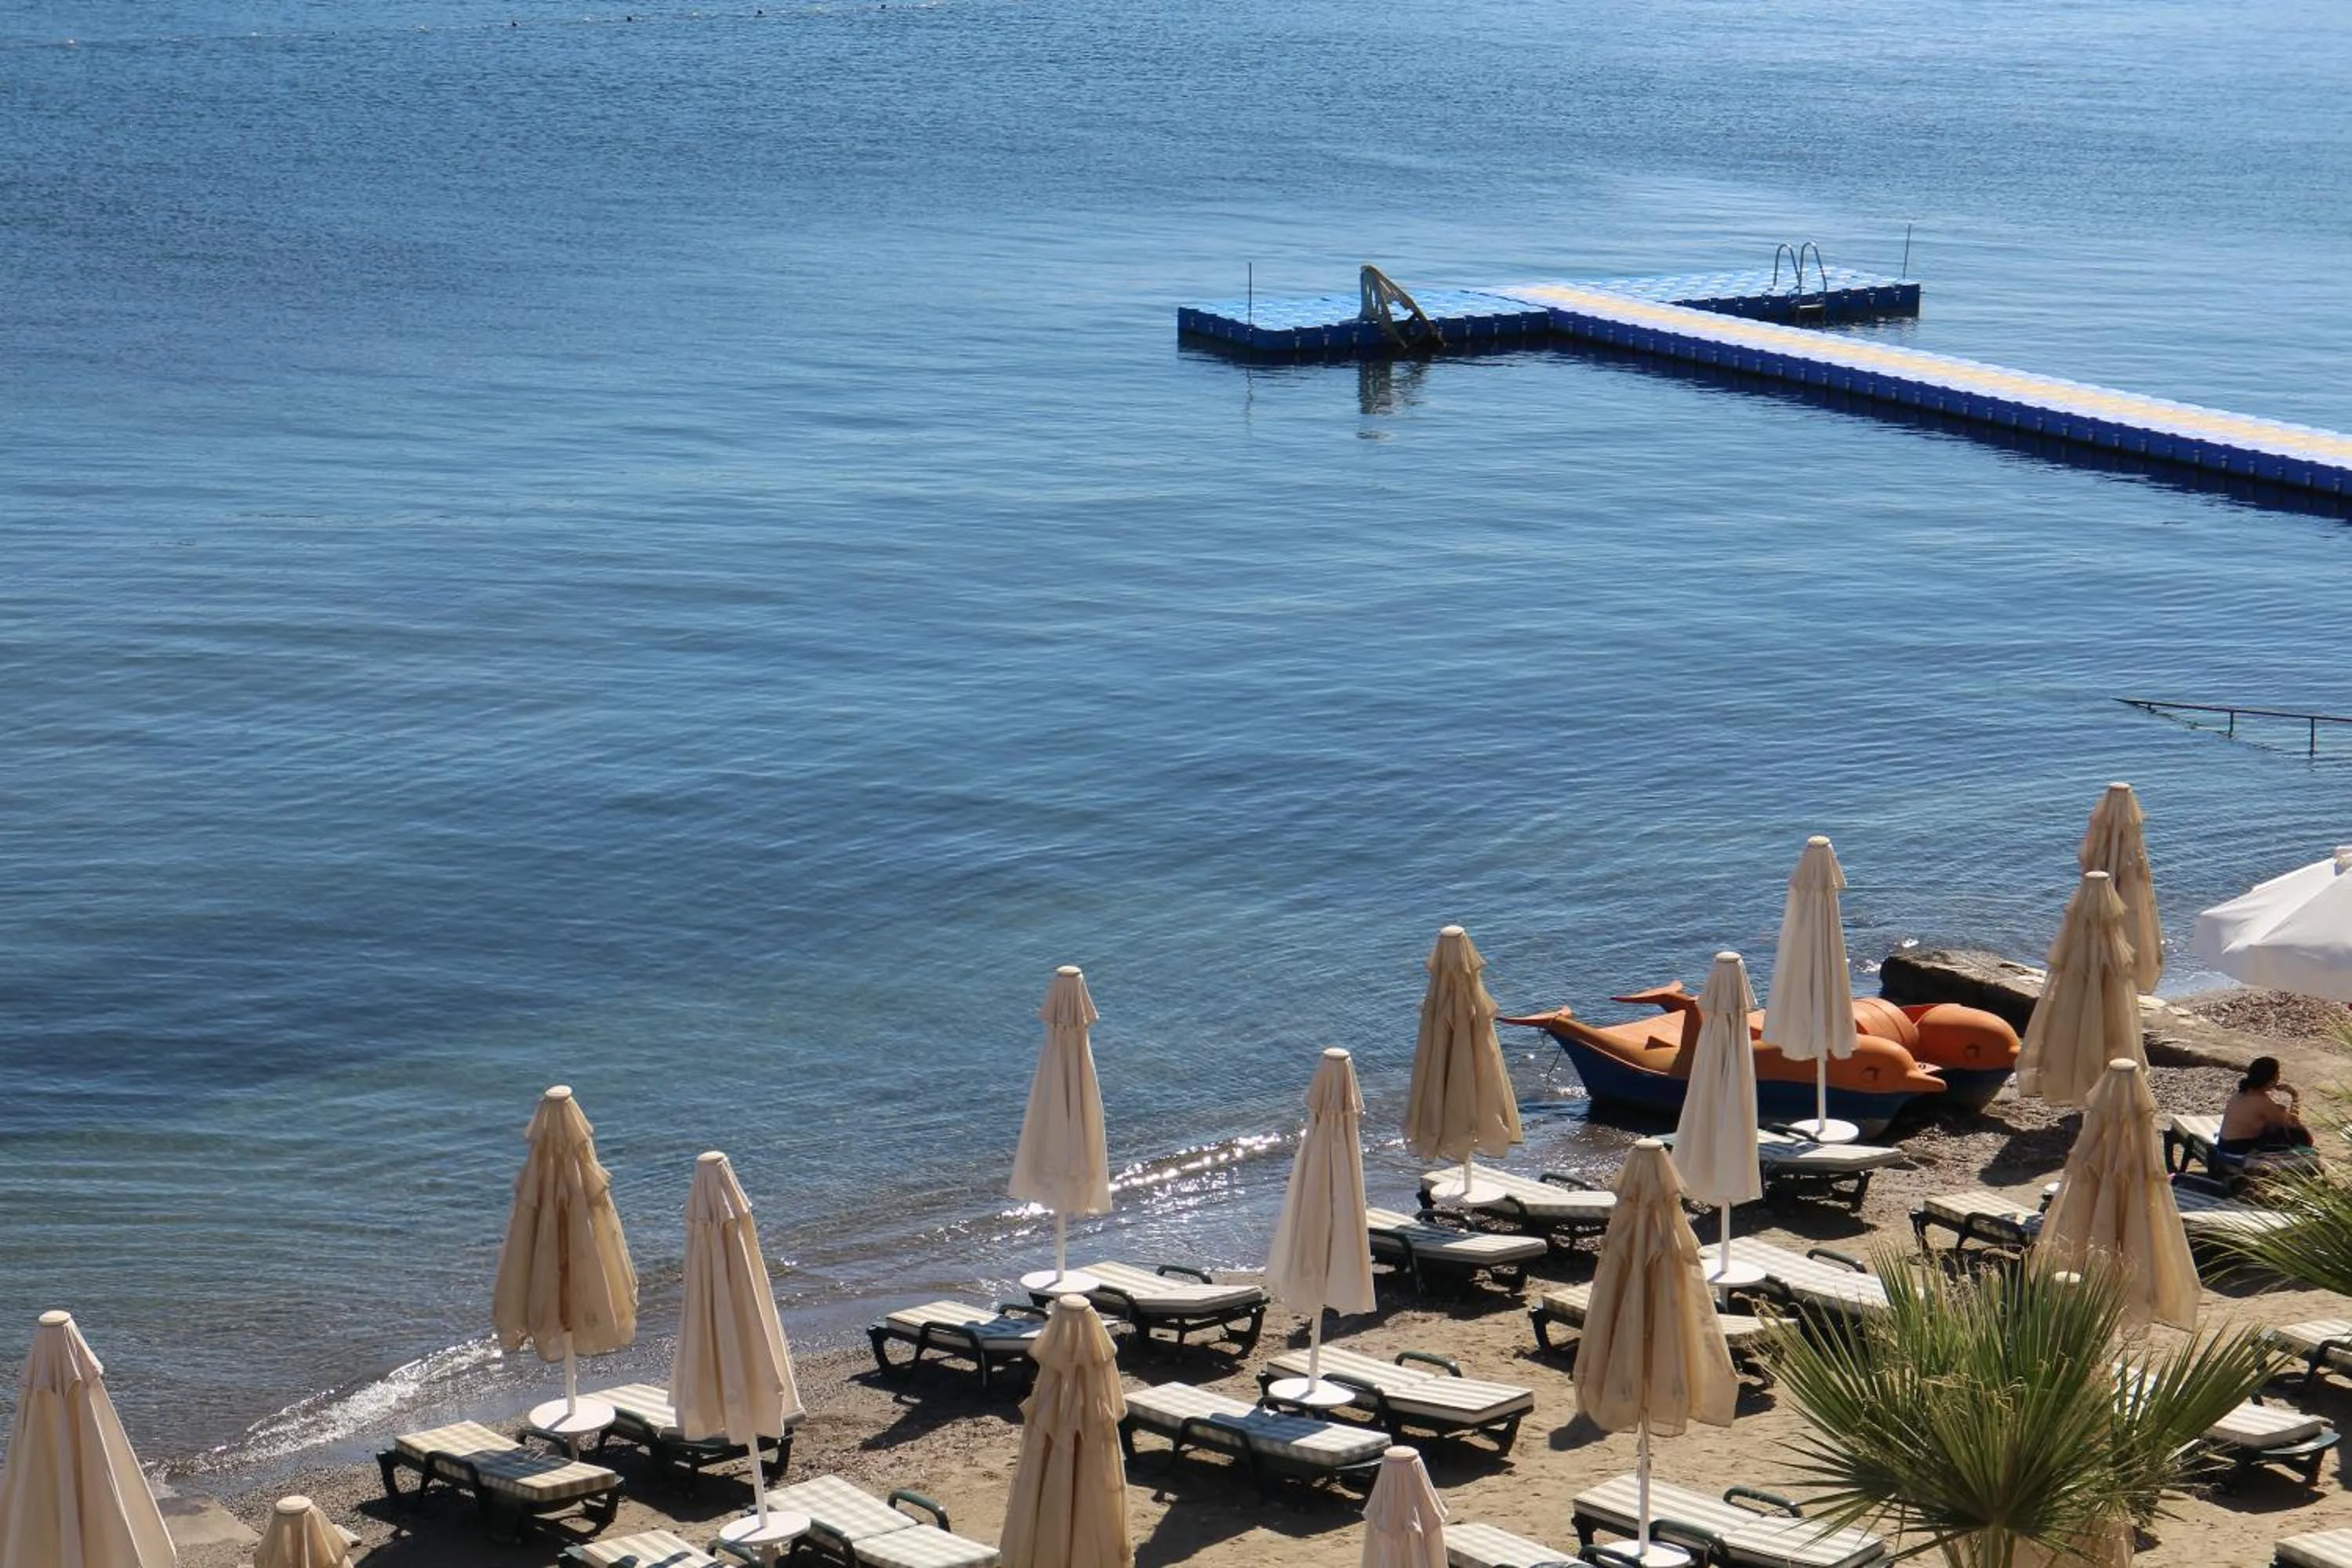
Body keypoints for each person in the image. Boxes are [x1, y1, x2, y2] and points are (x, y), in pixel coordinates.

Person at [2217, 1055, 2314, 1156]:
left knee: (2272, 1125)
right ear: (2271, 1080)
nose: (2279, 1077)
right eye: (2278, 1074)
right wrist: (2294, 1096)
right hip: (2239, 1149)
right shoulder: (2262, 1101)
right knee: (2298, 1136)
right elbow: (2293, 1123)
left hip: (2224, 1144)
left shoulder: (2241, 1094)